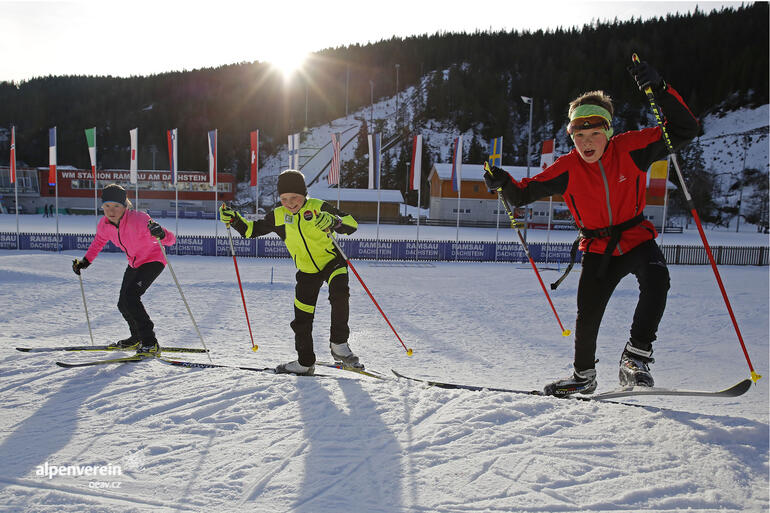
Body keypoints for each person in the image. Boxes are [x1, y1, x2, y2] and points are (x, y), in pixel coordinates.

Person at [484, 61, 699, 396]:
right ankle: (583, 376)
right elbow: (523, 193)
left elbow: (686, 129)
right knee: (588, 315)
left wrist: (660, 90)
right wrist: (503, 182)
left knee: (658, 280)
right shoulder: (567, 167)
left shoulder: (631, 148)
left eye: (594, 134)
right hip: (598, 249)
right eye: (579, 135)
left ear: (608, 131)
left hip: (635, 236)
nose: (586, 142)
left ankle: (635, 358)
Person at [219, 169, 359, 376]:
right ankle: (304, 362)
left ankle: (339, 344)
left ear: (304, 194)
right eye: (284, 198)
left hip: (332, 262)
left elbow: (352, 223)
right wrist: (234, 219)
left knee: (340, 294)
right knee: (302, 318)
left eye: (295, 197)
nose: (290, 203)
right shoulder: (278, 216)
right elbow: (251, 230)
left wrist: (334, 222)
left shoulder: (318, 207)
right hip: (306, 271)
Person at [72, 184, 176, 355]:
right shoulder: (104, 224)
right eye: (107, 206)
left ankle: (150, 342)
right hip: (134, 263)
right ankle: (136, 338)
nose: (111, 211)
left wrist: (162, 234)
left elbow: (171, 239)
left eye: (116, 206)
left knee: (131, 297)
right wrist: (85, 261)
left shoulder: (140, 219)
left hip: (153, 260)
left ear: (125, 206)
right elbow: (98, 242)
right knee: (123, 303)